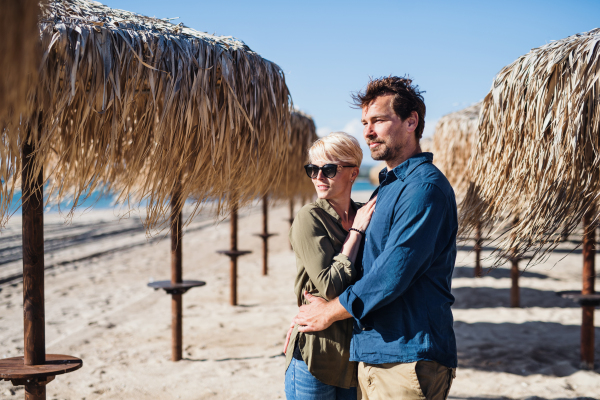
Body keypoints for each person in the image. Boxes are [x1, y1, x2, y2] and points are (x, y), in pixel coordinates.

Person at [293, 76, 458, 400]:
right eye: (365, 122)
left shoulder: (423, 188)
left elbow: (392, 273)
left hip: (407, 353)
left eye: (379, 120)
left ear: (411, 121)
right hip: (373, 351)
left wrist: (327, 312)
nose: (367, 131)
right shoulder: (389, 186)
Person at [284, 132, 377, 400]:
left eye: (328, 169)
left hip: (356, 355)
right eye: (312, 169)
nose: (318, 178)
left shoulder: (367, 212)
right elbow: (328, 286)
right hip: (316, 356)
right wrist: (356, 233)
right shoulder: (310, 218)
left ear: (353, 173)